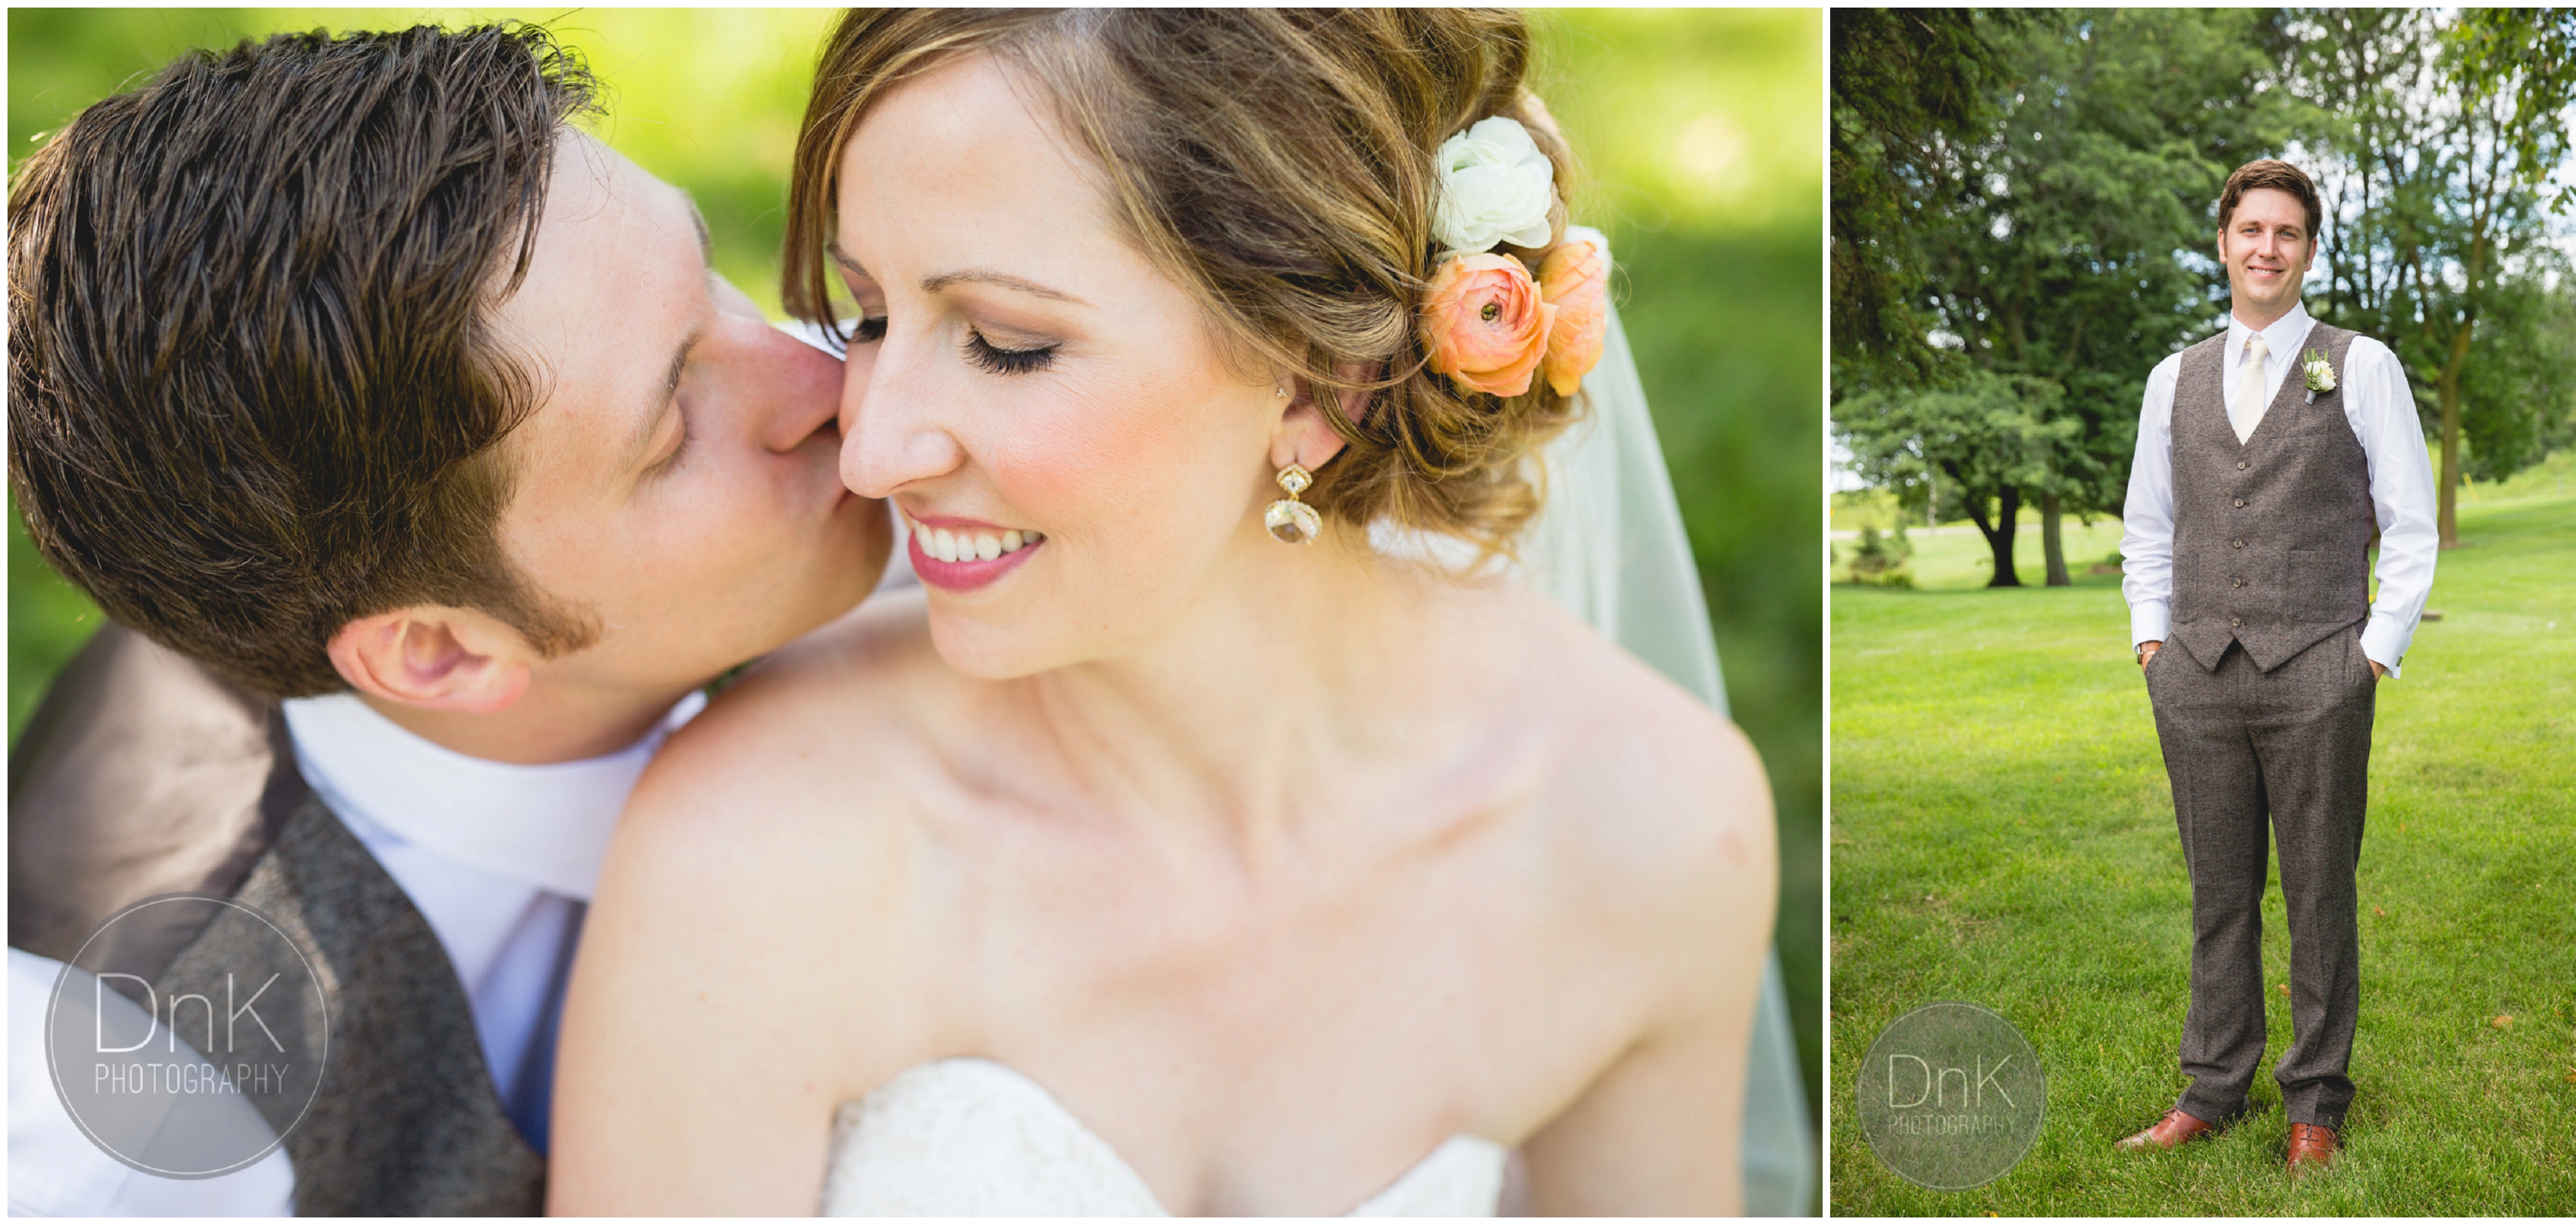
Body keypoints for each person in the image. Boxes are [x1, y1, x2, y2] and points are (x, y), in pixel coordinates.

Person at [551, 9, 1777, 1215]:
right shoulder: (755, 849)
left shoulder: (1654, 829)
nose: (869, 448)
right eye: (870, 313)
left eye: (1006, 341)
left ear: (1319, 381)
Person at [5, 25, 897, 1214]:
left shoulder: (883, 479)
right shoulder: (141, 1120)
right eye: (674, 432)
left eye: (710, 275)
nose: (833, 381)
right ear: (440, 650)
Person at [2112, 159, 2437, 1174]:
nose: (2266, 247)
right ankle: (2212, 1086)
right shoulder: (2174, 378)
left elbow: (2411, 527)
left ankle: (2315, 1099)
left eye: (2286, 232)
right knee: (2219, 890)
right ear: (2223, 243)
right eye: (2250, 228)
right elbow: (2148, 529)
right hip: (2196, 672)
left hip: (2317, 670)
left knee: (2318, 888)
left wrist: (2369, 656)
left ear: (2307, 249)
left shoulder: (2363, 364)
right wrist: (2153, 642)